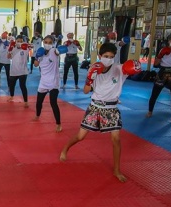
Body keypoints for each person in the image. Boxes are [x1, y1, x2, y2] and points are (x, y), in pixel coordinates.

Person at [60, 43, 142, 182]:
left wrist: (135, 66)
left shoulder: (120, 69)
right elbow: (86, 91)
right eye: (105, 56)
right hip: (95, 107)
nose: (108, 59)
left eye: (111, 56)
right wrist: (90, 77)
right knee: (80, 137)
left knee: (116, 140)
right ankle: (65, 149)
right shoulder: (94, 69)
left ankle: (116, 170)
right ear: (100, 56)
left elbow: (132, 68)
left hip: (111, 109)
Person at [33, 35, 66, 132]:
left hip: (53, 82)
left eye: (50, 42)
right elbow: (35, 65)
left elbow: (63, 50)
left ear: (52, 43)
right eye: (46, 42)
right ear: (43, 42)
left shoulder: (54, 51)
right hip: (43, 81)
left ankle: (58, 124)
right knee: (39, 102)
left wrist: (63, 46)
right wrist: (37, 56)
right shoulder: (40, 52)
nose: (47, 44)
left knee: (53, 103)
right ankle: (37, 115)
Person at [7, 36, 30, 106]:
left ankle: (26, 101)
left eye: (21, 41)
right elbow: (8, 57)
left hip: (23, 71)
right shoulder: (13, 48)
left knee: (22, 86)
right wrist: (10, 49)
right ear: (16, 41)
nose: (19, 42)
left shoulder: (26, 48)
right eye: (18, 41)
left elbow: (31, 45)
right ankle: (11, 96)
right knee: (11, 85)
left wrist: (26, 44)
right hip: (14, 70)